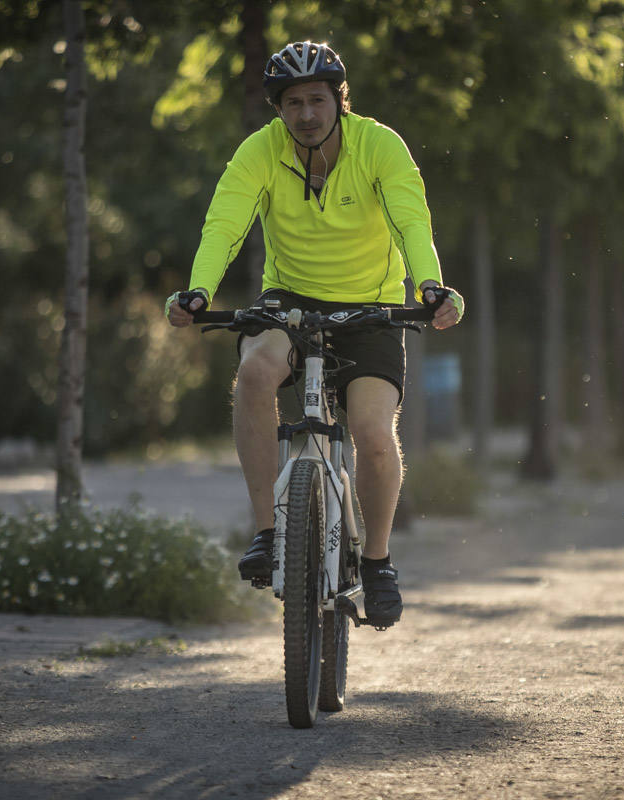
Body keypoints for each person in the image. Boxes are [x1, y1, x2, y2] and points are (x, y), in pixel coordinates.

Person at [166, 41, 463, 628]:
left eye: (318, 100)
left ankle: (376, 562)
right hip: (291, 299)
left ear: (339, 101)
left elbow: (411, 219)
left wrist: (430, 287)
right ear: (279, 108)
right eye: (293, 102)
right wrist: (198, 291)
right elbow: (225, 223)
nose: (306, 114)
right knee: (254, 371)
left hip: (372, 305)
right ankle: (269, 534)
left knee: (374, 434)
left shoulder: (379, 145)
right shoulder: (260, 151)